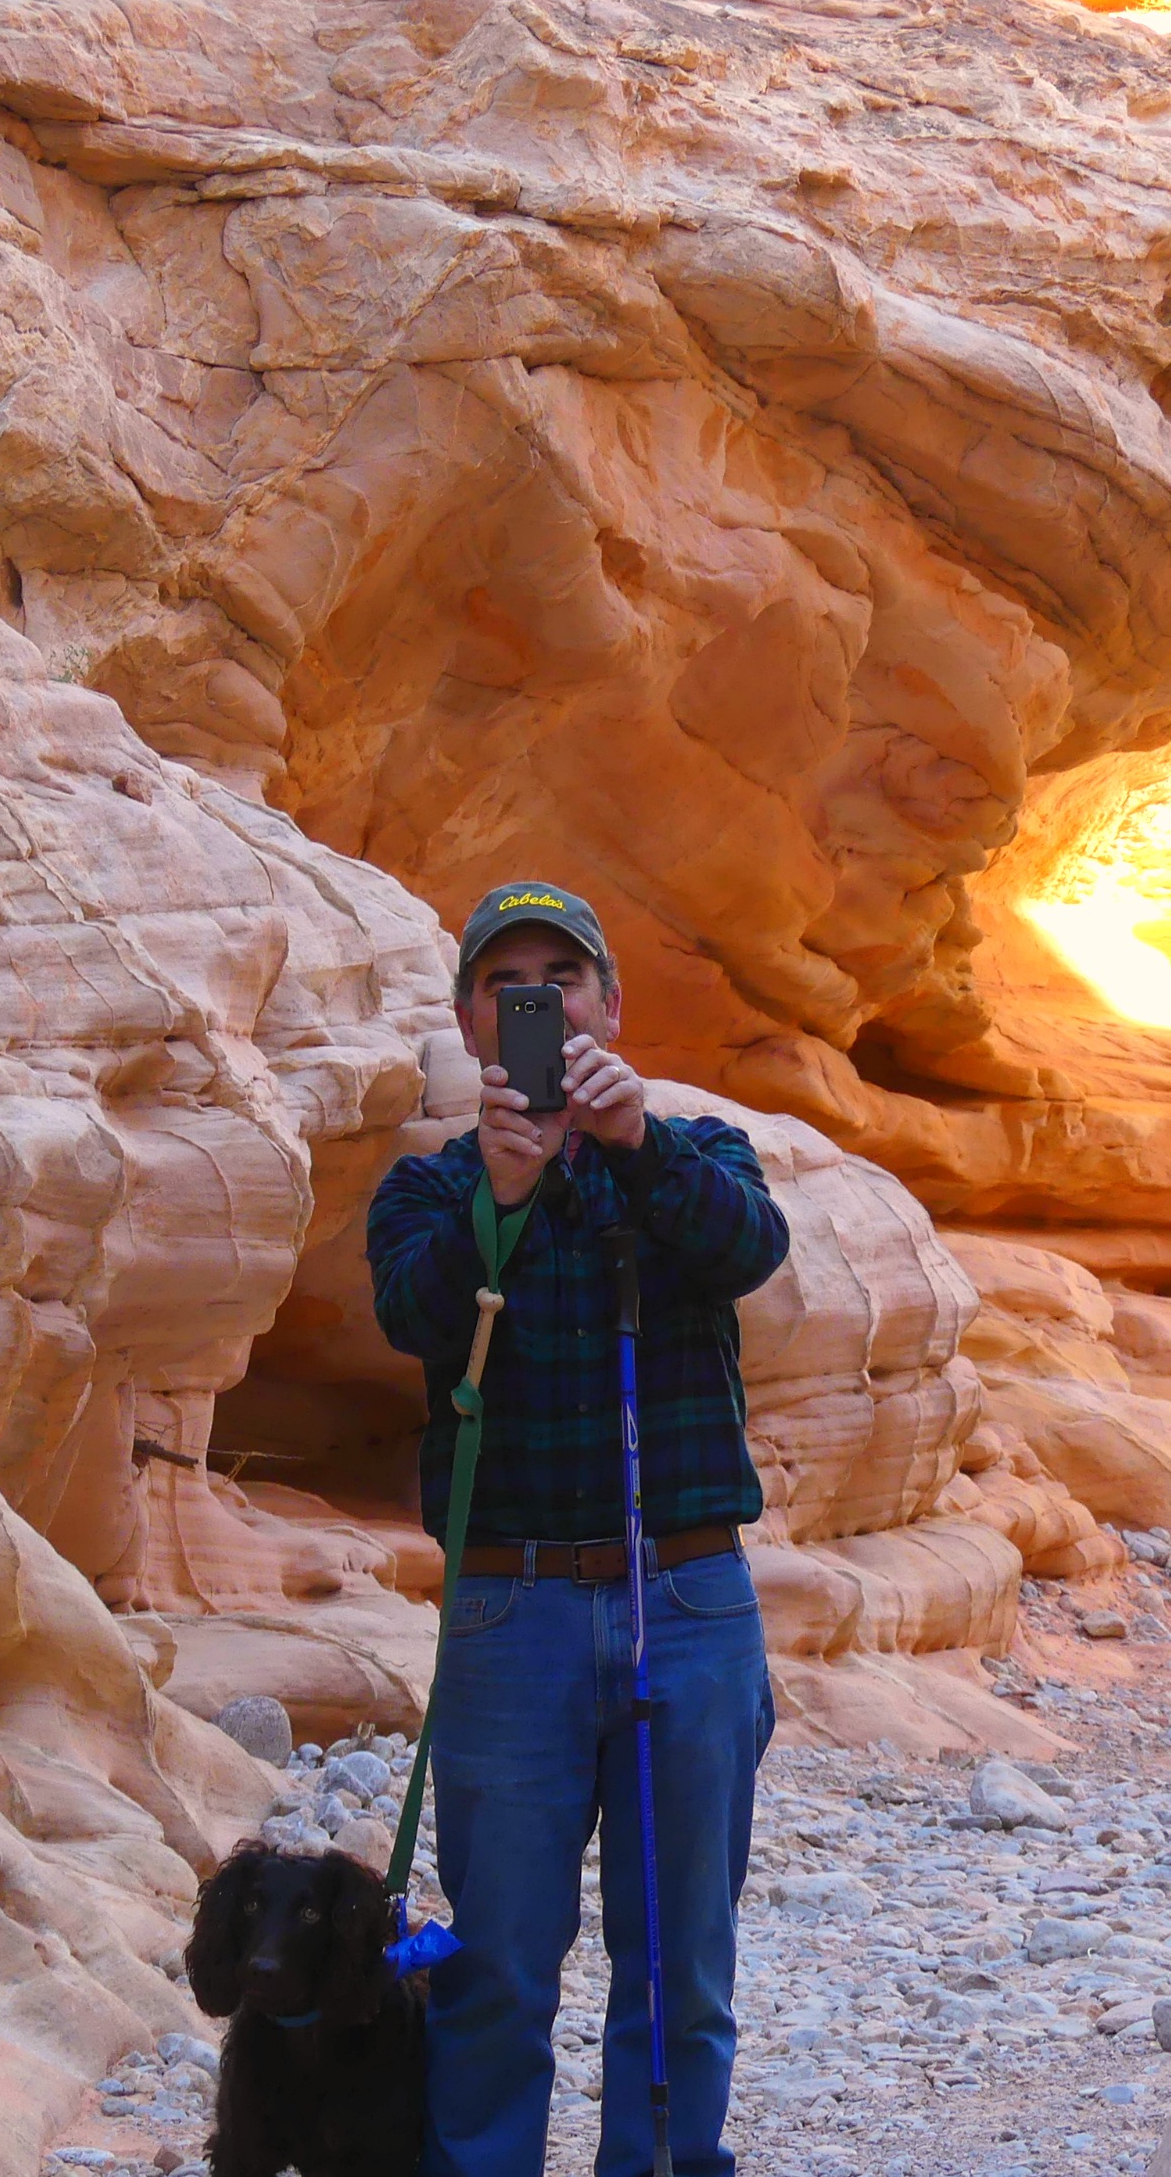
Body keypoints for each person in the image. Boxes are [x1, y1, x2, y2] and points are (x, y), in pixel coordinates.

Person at [367, 881, 791, 2177]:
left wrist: (634, 1144)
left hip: (688, 1596)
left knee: (682, 1966)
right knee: (495, 1965)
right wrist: (501, 1201)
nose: (537, 1000)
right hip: (512, 1610)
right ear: (470, 1022)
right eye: (509, 983)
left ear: (610, 1005)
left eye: (563, 977)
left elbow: (748, 1248)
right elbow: (414, 1316)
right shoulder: (431, 1189)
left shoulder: (696, 1151)